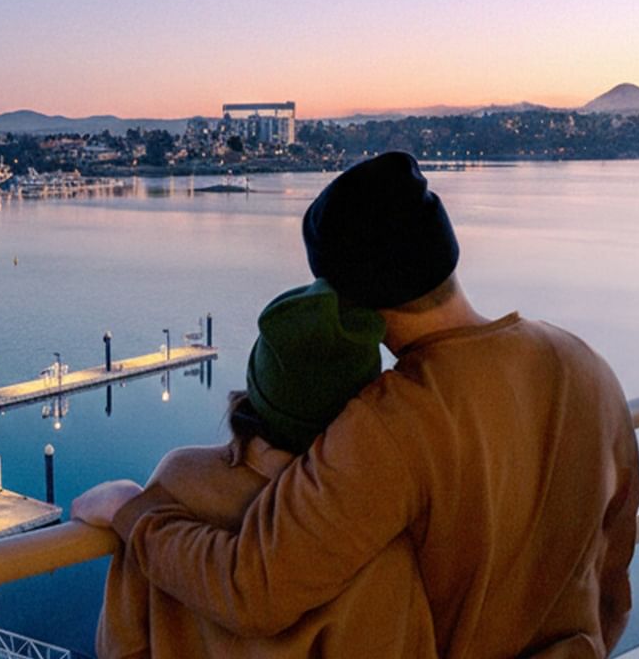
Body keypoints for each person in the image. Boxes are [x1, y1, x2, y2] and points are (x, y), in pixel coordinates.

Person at [73, 152, 639, 658]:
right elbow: (614, 566)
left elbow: (255, 590)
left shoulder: (394, 420)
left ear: (346, 301)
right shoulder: (585, 364)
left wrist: (132, 513)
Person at [96, 279, 436, 657]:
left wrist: (125, 507)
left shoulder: (178, 479)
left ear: (257, 385)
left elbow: (120, 643)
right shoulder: (375, 524)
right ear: (362, 406)